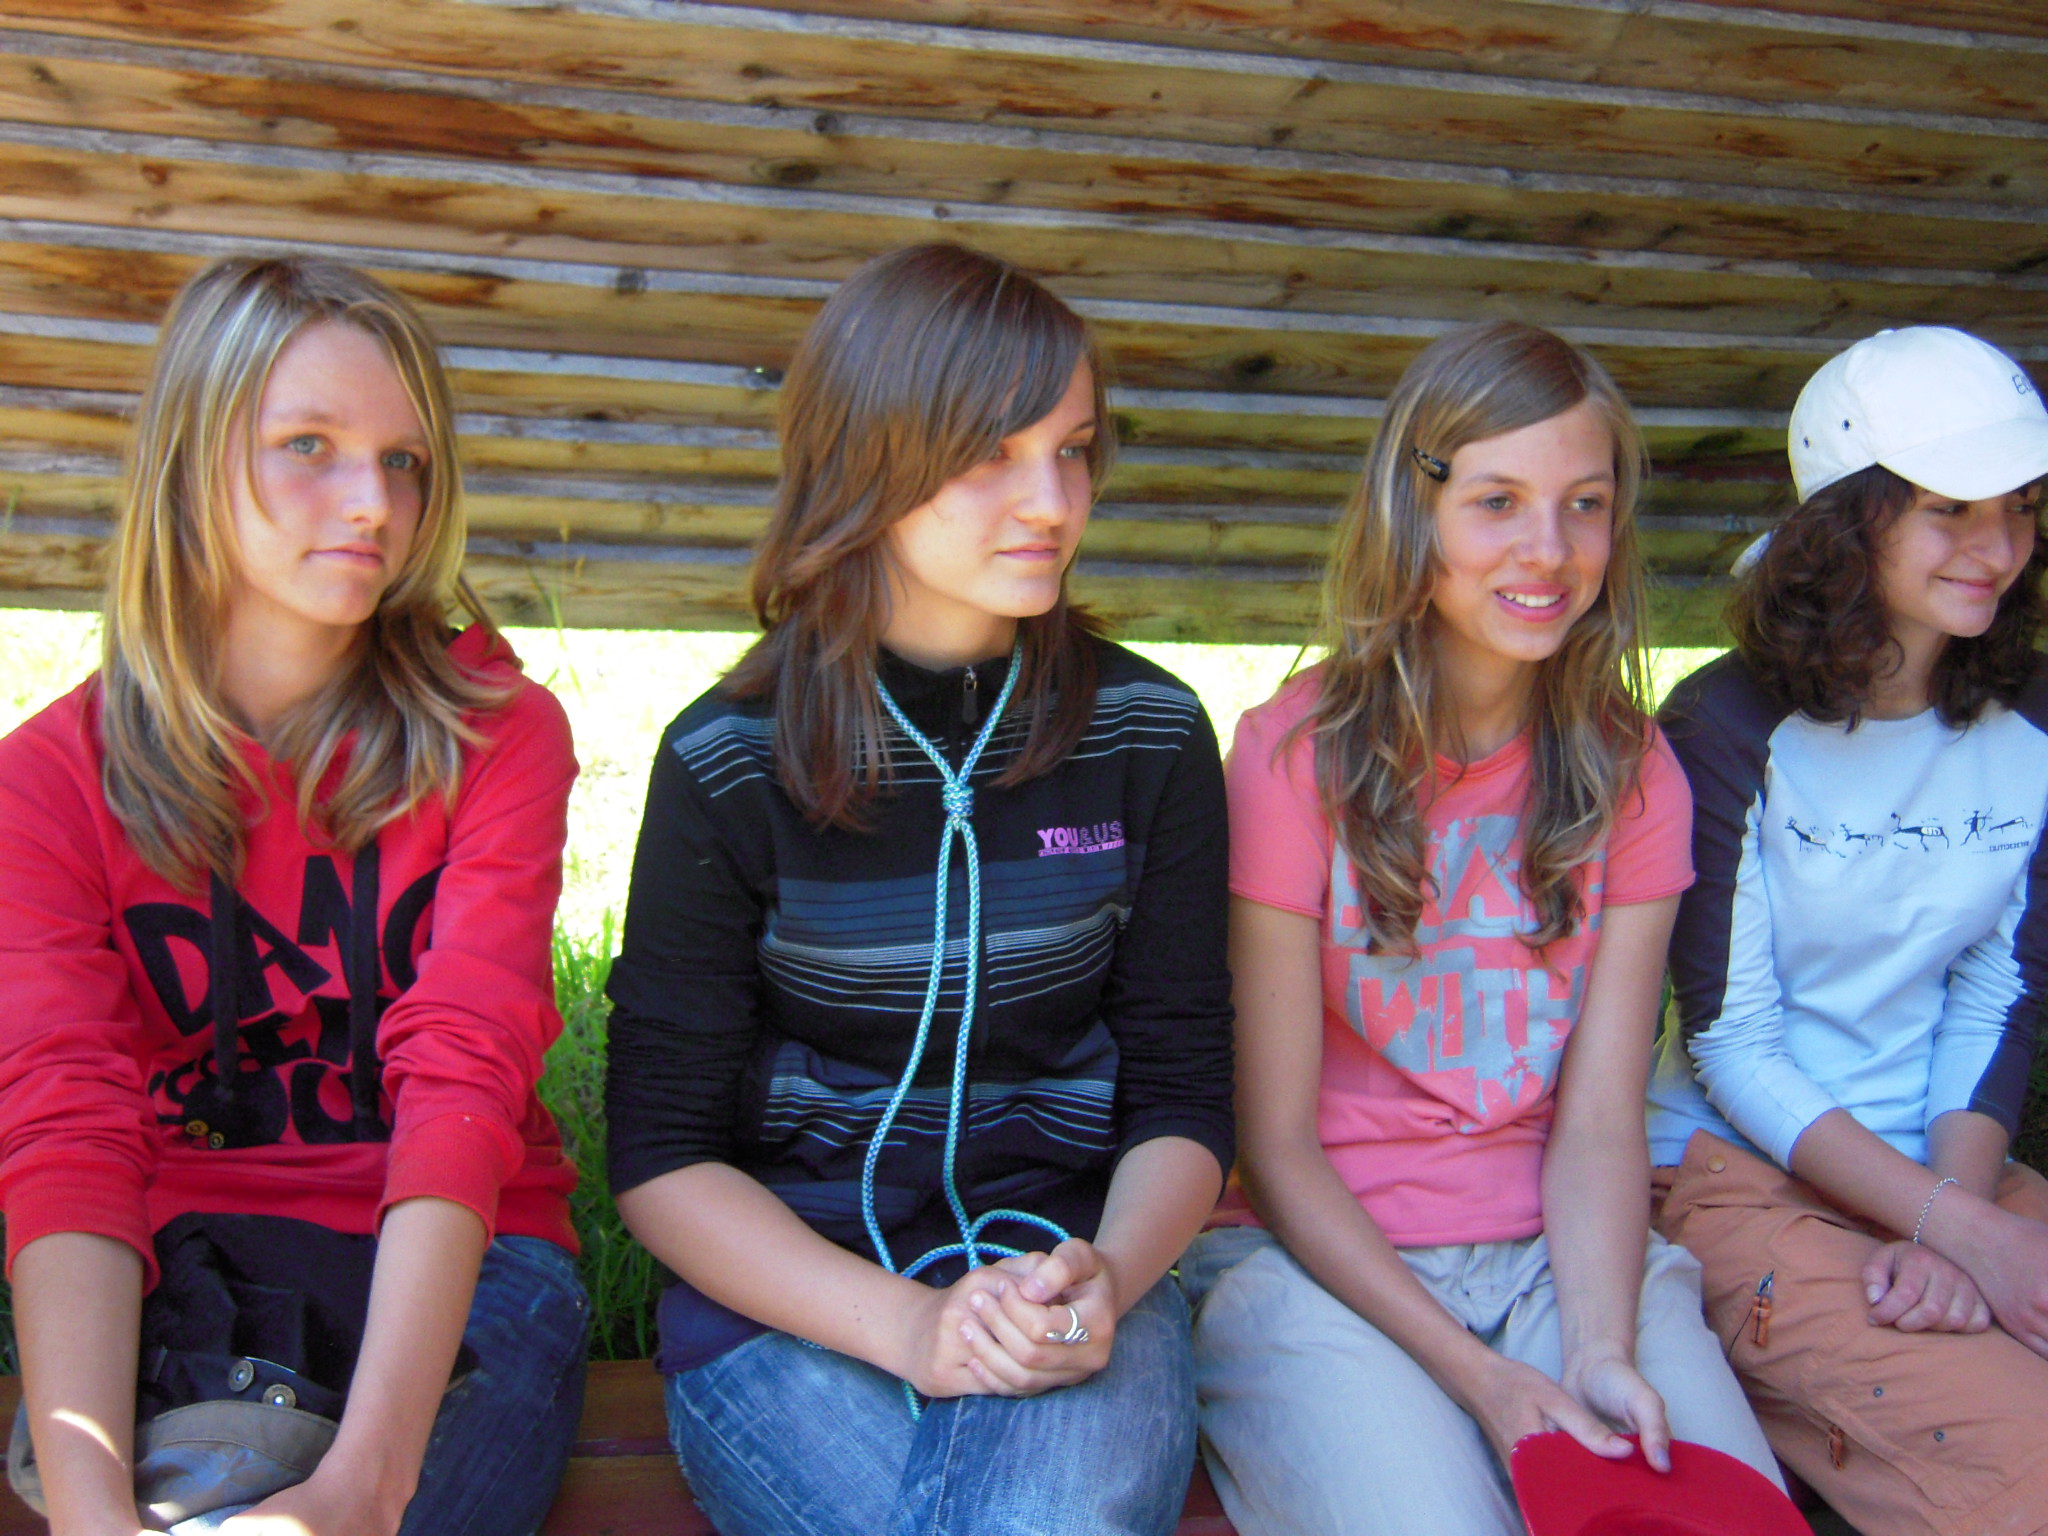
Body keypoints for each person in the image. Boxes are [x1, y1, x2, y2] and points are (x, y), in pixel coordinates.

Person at [603, 242, 1235, 1536]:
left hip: (1071, 1289)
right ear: (866, 459)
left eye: (1073, 450)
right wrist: (909, 1328)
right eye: (989, 455)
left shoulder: (1148, 737)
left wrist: (1108, 1277)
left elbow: (1182, 1088)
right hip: (795, 1307)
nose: (1051, 501)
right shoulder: (727, 763)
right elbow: (662, 1154)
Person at [0, 257, 588, 1536]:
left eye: (404, 460)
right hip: (190, 1269)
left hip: (465, 1261)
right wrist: (91, 1517)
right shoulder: (44, 785)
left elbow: (464, 1080)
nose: (373, 502)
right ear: (190, 459)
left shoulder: (496, 736)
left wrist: (359, 1491)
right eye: (308, 445)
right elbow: (67, 1138)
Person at [1184, 321, 1781, 1536]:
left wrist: (1600, 1346)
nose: (1546, 549)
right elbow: (1274, 1146)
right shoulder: (1290, 760)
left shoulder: (1633, 773)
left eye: (1584, 505)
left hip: (1564, 1255)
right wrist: (1482, 1382)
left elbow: (1600, 1117)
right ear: (1413, 513)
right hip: (1318, 1268)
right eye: (1496, 502)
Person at [1647, 325, 2048, 1535]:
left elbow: (1995, 993)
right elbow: (1730, 1042)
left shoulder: (2031, 719)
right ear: (1844, 519)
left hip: (1950, 1167)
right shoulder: (1720, 725)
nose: (1997, 547)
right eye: (1948, 509)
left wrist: (1955, 1220)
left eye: (2020, 508)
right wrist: (1958, 1232)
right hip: (1739, 1177)